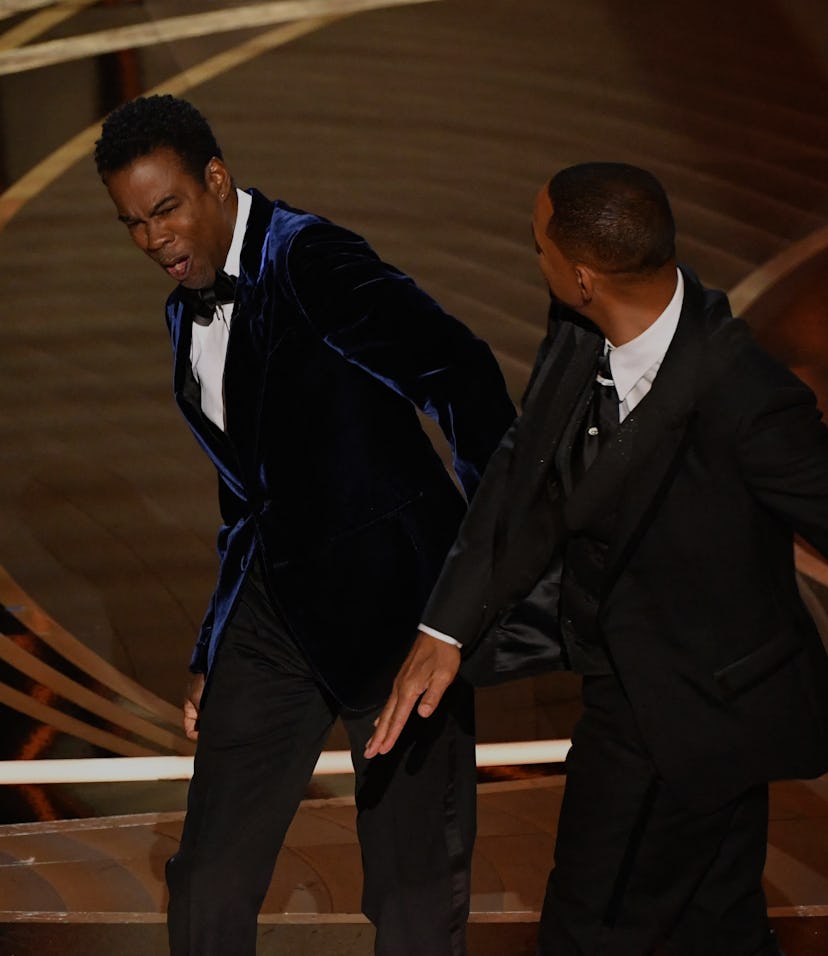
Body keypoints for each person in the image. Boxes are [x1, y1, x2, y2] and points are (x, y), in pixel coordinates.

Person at [366, 162, 828, 955]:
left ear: (583, 277)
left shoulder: (747, 398)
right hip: (636, 686)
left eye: (537, 246)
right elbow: (526, 466)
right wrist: (445, 626)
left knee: (587, 930)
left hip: (696, 710)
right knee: (718, 930)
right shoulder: (581, 327)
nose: (534, 257)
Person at [94, 94, 515, 956]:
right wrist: (215, 647)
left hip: (397, 623)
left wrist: (467, 591)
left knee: (410, 897)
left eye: (166, 209)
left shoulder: (310, 260)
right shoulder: (185, 309)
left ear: (216, 180)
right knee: (207, 878)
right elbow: (247, 490)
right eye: (133, 223)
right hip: (276, 616)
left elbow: (464, 377)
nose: (154, 240)